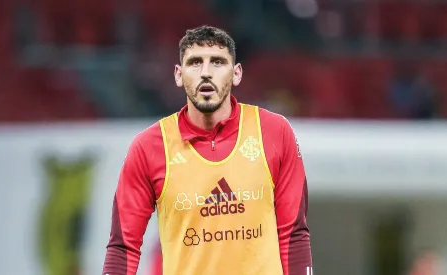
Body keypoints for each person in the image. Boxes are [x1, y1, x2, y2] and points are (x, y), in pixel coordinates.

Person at [102, 25, 313, 275]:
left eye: (217, 62)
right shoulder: (148, 147)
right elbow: (123, 246)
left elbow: (294, 234)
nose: (206, 73)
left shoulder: (275, 132)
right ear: (179, 75)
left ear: (236, 74)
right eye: (194, 63)